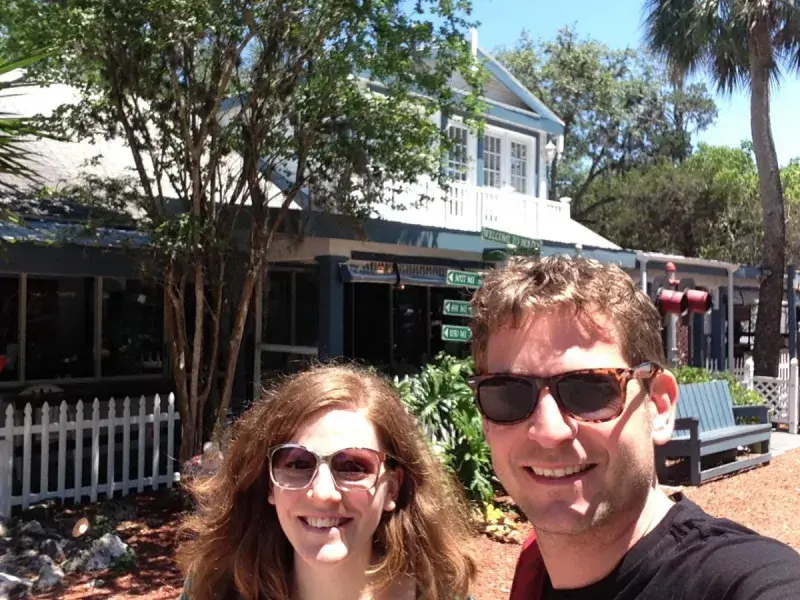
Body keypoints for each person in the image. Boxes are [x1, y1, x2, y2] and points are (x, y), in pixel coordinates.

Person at [468, 254, 800, 600]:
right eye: (507, 394)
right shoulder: (534, 571)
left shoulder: (735, 580)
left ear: (658, 406)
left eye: (589, 389)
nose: (549, 431)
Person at [176, 363, 476, 600]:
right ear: (269, 483)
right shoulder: (213, 590)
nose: (322, 493)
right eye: (297, 463)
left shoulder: (443, 595)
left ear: (392, 488)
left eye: (353, 467)